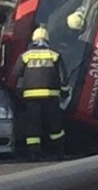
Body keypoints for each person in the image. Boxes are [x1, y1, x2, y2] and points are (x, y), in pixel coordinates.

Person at [13, 26, 70, 162]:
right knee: (54, 126)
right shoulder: (54, 55)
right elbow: (63, 78)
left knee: (33, 125)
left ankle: (34, 154)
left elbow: (16, 73)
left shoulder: (25, 56)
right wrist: (65, 92)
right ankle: (59, 152)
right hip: (51, 97)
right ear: (47, 39)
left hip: (31, 98)